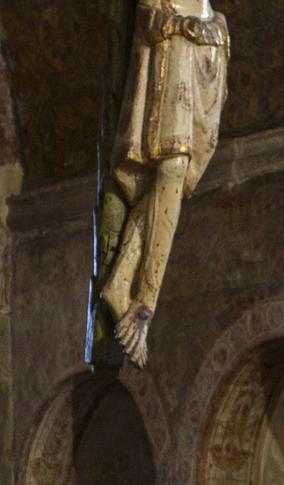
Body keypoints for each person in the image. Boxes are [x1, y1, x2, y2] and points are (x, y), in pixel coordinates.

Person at [101, 0, 230, 366]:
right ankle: (144, 304)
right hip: (170, 78)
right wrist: (182, 27)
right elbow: (151, 20)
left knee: (171, 181)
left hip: (201, 75)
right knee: (171, 167)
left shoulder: (215, 17)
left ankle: (122, 282)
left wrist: (208, 30)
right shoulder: (157, 7)